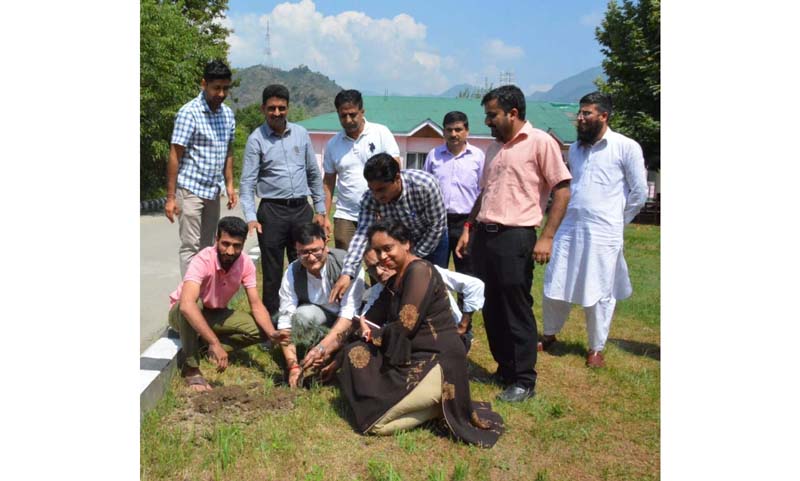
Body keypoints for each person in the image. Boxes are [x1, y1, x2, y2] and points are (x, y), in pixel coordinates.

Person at [303, 221, 504, 446]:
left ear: (406, 244)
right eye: (377, 251)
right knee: (354, 352)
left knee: (376, 425)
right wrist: (331, 355)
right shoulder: (392, 281)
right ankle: (424, 402)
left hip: (438, 360)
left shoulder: (420, 270)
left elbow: (404, 326)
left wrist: (371, 335)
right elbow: (361, 324)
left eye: (388, 248)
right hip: (410, 354)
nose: (382, 258)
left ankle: (439, 406)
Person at [455, 85, 572, 403]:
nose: (488, 121)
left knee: (515, 307)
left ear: (513, 113)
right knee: (490, 305)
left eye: (492, 115)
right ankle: (505, 368)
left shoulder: (540, 142)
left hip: (516, 236)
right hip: (485, 235)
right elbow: (484, 193)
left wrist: (547, 236)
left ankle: (524, 379)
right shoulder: (494, 149)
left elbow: (562, 189)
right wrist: (468, 227)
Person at [541, 92, 648, 368]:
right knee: (556, 279)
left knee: (600, 289)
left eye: (586, 113)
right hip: (569, 224)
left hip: (604, 231)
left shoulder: (626, 147)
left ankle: (595, 348)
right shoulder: (576, 148)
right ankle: (550, 334)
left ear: (603, 116)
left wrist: (617, 220)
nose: (580, 117)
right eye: (580, 112)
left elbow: (638, 192)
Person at [167, 217, 287, 392]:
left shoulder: (245, 263)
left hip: (215, 313)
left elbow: (256, 305)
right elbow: (186, 305)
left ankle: (204, 346)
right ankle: (191, 369)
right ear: (217, 239)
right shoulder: (203, 259)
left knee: (261, 329)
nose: (230, 251)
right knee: (194, 304)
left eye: (237, 245)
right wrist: (214, 341)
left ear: (244, 243)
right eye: (225, 244)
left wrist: (272, 333)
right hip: (182, 314)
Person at [240, 84, 329, 316]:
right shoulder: (256, 140)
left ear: (288, 108)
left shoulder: (300, 134)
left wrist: (320, 209)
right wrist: (250, 217)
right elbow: (247, 183)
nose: (277, 113)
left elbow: (312, 173)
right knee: (272, 270)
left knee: (306, 263)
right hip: (271, 212)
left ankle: (306, 316)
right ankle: (273, 321)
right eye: (272, 108)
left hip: (301, 209)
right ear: (263, 109)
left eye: (282, 108)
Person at [328, 153, 448, 303]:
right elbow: (362, 235)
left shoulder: (425, 185)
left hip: (432, 241)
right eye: (372, 189)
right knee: (403, 288)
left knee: (434, 285)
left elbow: (436, 227)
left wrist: (411, 258)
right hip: (401, 244)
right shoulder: (369, 198)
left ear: (397, 178)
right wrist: (347, 273)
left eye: (381, 189)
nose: (376, 195)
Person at [165, 59, 238, 277]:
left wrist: (230, 185)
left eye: (225, 88)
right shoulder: (189, 113)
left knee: (208, 247)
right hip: (190, 189)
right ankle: (188, 299)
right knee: (190, 246)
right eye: (216, 88)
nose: (221, 93)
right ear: (204, 84)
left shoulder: (227, 115)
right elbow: (174, 154)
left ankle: (205, 293)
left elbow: (229, 151)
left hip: (212, 191)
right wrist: (170, 197)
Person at [274, 223, 365, 387]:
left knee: (352, 334)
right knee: (300, 317)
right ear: (296, 250)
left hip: (350, 318)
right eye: (303, 252)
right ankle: (310, 352)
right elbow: (285, 322)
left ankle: (328, 350)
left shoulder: (348, 266)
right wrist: (292, 365)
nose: (310, 257)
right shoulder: (292, 272)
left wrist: (322, 348)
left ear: (326, 246)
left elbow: (348, 315)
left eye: (315, 250)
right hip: (319, 313)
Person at [359, 248, 483, 353]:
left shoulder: (426, 271)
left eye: (381, 264)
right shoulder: (378, 290)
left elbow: (475, 285)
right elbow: (368, 320)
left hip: (447, 336)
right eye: (371, 269)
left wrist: (463, 325)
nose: (378, 272)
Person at [322, 89, 400, 249]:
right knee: (345, 262)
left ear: (362, 111)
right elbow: (328, 182)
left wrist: (385, 206)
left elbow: (395, 170)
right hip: (345, 215)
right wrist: (324, 216)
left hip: (380, 211)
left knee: (381, 262)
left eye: (352, 114)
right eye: (343, 116)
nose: (348, 120)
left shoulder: (381, 133)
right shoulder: (332, 144)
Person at [423, 111, 484, 277]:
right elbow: (425, 188)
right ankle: (438, 303)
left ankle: (466, 304)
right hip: (438, 221)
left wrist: (471, 224)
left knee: (467, 272)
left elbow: (484, 191)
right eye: (449, 130)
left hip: (467, 222)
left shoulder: (478, 157)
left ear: (467, 131)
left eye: (458, 130)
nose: (453, 134)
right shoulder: (433, 156)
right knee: (435, 271)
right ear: (443, 132)